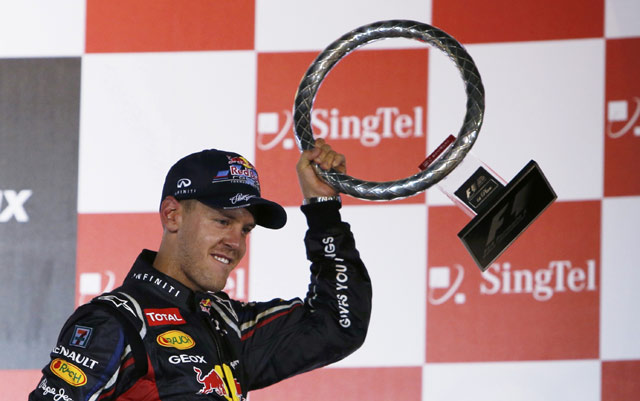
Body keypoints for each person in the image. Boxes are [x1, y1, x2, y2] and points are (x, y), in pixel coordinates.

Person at [29, 139, 372, 400]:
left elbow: (338, 326)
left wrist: (323, 209)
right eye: (223, 221)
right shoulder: (117, 322)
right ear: (172, 215)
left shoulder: (226, 322)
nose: (236, 242)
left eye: (245, 229)